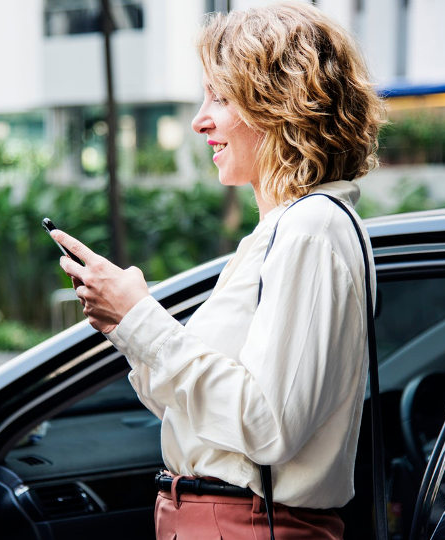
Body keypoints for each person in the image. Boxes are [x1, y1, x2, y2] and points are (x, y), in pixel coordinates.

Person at [51, 2, 385, 537]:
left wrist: (141, 318)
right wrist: (127, 324)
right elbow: (196, 414)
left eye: (220, 96)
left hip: (246, 523)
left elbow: (267, 424)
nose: (199, 118)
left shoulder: (310, 229)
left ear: (280, 105)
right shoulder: (283, 232)